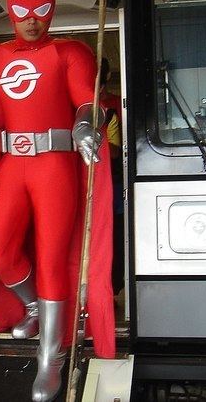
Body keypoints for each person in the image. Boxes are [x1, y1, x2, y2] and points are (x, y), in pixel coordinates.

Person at [0, 0, 114, 402]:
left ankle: (49, 358)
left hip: (55, 164)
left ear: (51, 12)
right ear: (11, 13)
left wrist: (85, 124)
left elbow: (84, 101)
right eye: (21, 13)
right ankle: (33, 306)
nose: (31, 22)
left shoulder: (71, 52)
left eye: (39, 13)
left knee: (53, 257)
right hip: (11, 165)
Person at [99, 58, 125, 297]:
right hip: (82, 186)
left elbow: (119, 151)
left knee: (114, 235)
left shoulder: (117, 105)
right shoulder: (75, 104)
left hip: (113, 184)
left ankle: (113, 291)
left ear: (107, 77)